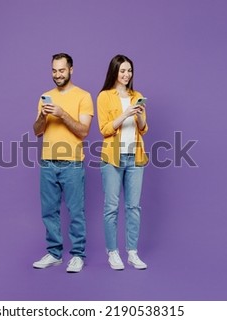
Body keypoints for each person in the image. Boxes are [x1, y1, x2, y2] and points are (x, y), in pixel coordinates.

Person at [32, 53, 94, 273]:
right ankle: (54, 253)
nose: (57, 75)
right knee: (49, 211)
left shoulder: (84, 97)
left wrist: (62, 113)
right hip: (48, 162)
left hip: (72, 163)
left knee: (76, 211)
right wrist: (44, 116)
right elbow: (38, 132)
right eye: (54, 70)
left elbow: (83, 131)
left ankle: (77, 255)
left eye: (61, 70)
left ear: (71, 70)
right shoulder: (44, 96)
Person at [97, 54, 149, 270]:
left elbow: (144, 128)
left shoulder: (137, 95)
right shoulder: (104, 97)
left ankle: (132, 253)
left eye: (129, 71)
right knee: (111, 208)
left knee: (133, 207)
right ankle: (113, 253)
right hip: (112, 158)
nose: (127, 75)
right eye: (123, 71)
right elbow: (105, 130)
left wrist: (138, 115)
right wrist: (125, 112)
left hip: (135, 158)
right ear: (115, 72)